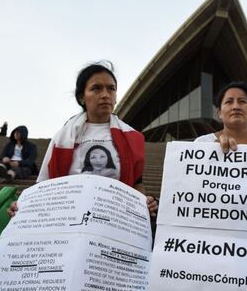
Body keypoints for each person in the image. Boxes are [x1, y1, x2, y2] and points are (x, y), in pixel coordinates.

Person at [8, 62, 157, 217]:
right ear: (81, 97)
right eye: (96, 88)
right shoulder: (62, 138)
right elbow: (43, 185)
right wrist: (23, 206)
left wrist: (147, 202)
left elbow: (137, 184)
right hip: (69, 218)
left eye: (111, 88)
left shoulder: (132, 138)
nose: (106, 94)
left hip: (115, 220)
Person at [195, 81, 247, 146]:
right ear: (219, 112)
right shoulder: (201, 144)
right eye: (229, 102)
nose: (236, 107)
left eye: (242, 101)